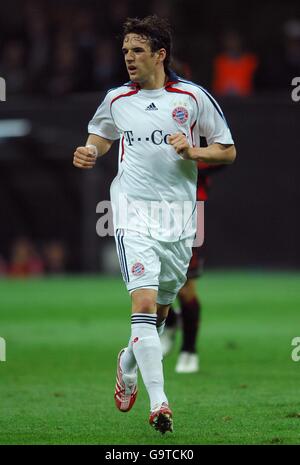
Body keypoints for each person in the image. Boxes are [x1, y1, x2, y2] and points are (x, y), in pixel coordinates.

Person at [73, 15, 236, 434]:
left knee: (160, 312)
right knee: (142, 306)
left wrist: (194, 151)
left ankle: (127, 360)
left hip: (178, 218)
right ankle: (160, 402)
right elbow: (101, 134)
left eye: (137, 50)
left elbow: (228, 151)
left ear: (160, 54)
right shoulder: (116, 99)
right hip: (132, 210)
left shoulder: (193, 98)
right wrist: (91, 150)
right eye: (125, 50)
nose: (128, 57)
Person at [161, 160, 227, 373]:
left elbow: (223, 154)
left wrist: (188, 156)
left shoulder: (197, 129)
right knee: (148, 279)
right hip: (151, 208)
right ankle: (170, 321)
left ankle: (189, 350)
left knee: (184, 284)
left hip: (188, 211)